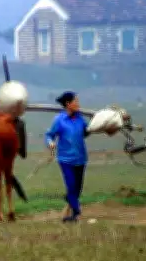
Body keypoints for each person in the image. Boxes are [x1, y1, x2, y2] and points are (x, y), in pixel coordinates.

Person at [44, 90, 89, 223]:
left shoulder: (80, 118)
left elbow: (86, 132)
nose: (78, 103)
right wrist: (50, 142)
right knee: (71, 185)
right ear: (68, 104)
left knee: (77, 189)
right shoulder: (59, 120)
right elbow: (49, 135)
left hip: (81, 158)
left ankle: (72, 217)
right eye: (76, 101)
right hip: (66, 159)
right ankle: (77, 210)